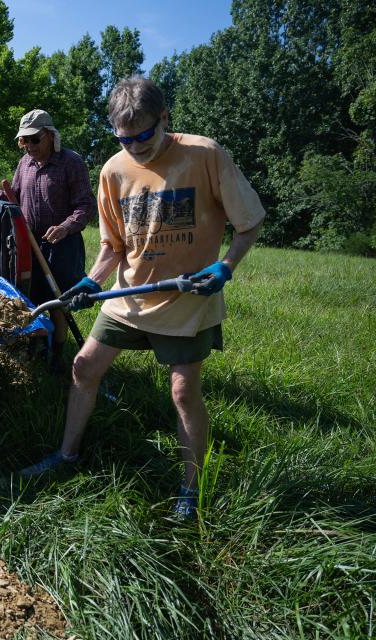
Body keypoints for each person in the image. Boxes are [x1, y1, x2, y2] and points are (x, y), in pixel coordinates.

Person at [19, 77, 265, 519]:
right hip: (129, 296)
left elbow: (249, 223)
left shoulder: (204, 154)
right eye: (123, 138)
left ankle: (191, 489)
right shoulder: (113, 170)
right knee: (83, 366)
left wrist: (224, 267)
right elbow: (113, 245)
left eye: (144, 135)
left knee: (183, 391)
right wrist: (92, 281)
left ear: (164, 118)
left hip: (188, 296)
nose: (134, 147)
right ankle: (67, 456)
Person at [0, 109, 96, 370]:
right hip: (30, 242)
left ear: (50, 136)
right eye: (24, 141)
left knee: (59, 300)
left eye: (34, 139)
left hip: (62, 244)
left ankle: (57, 356)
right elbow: (14, 195)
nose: (29, 146)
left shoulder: (71, 162)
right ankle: (35, 348)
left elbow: (85, 205)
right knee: (30, 296)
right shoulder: (25, 164)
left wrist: (66, 227)